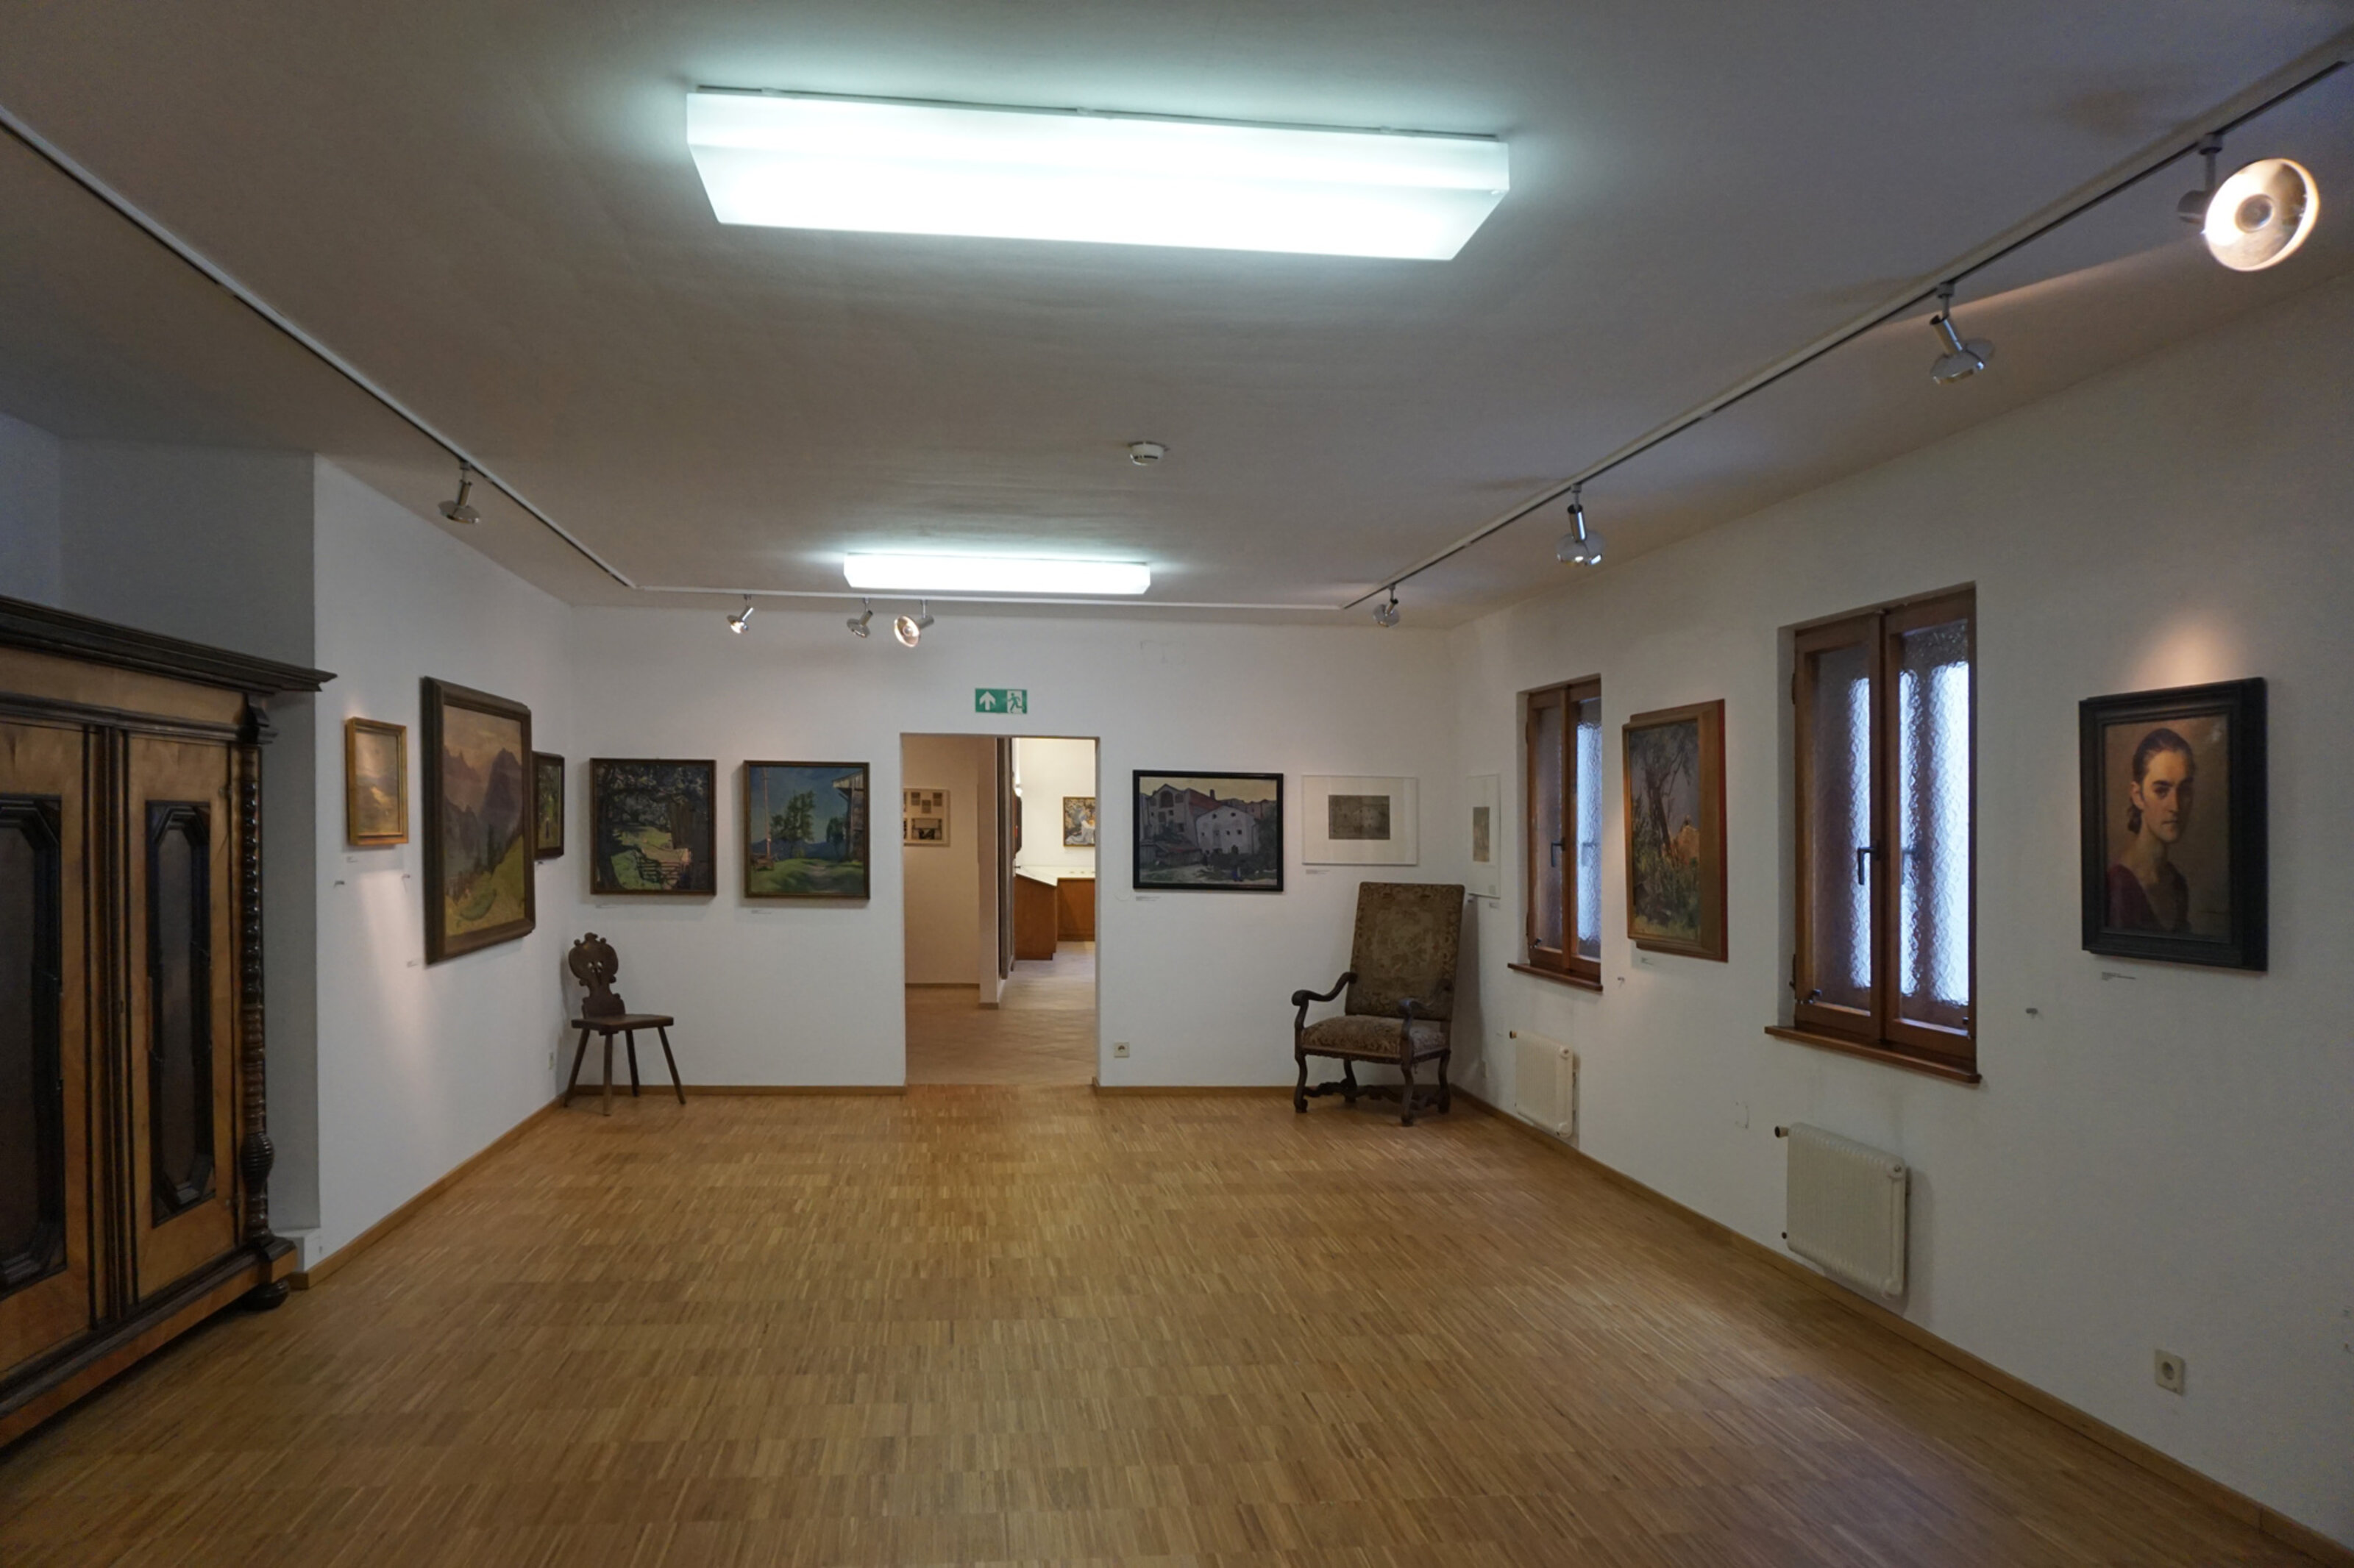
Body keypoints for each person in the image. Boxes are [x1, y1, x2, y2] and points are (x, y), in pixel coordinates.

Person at [2107, 727, 2195, 933]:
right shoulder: (2118, 885)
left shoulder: (2176, 883)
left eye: (2184, 790)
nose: (2175, 806)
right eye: (2161, 791)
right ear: (2138, 796)